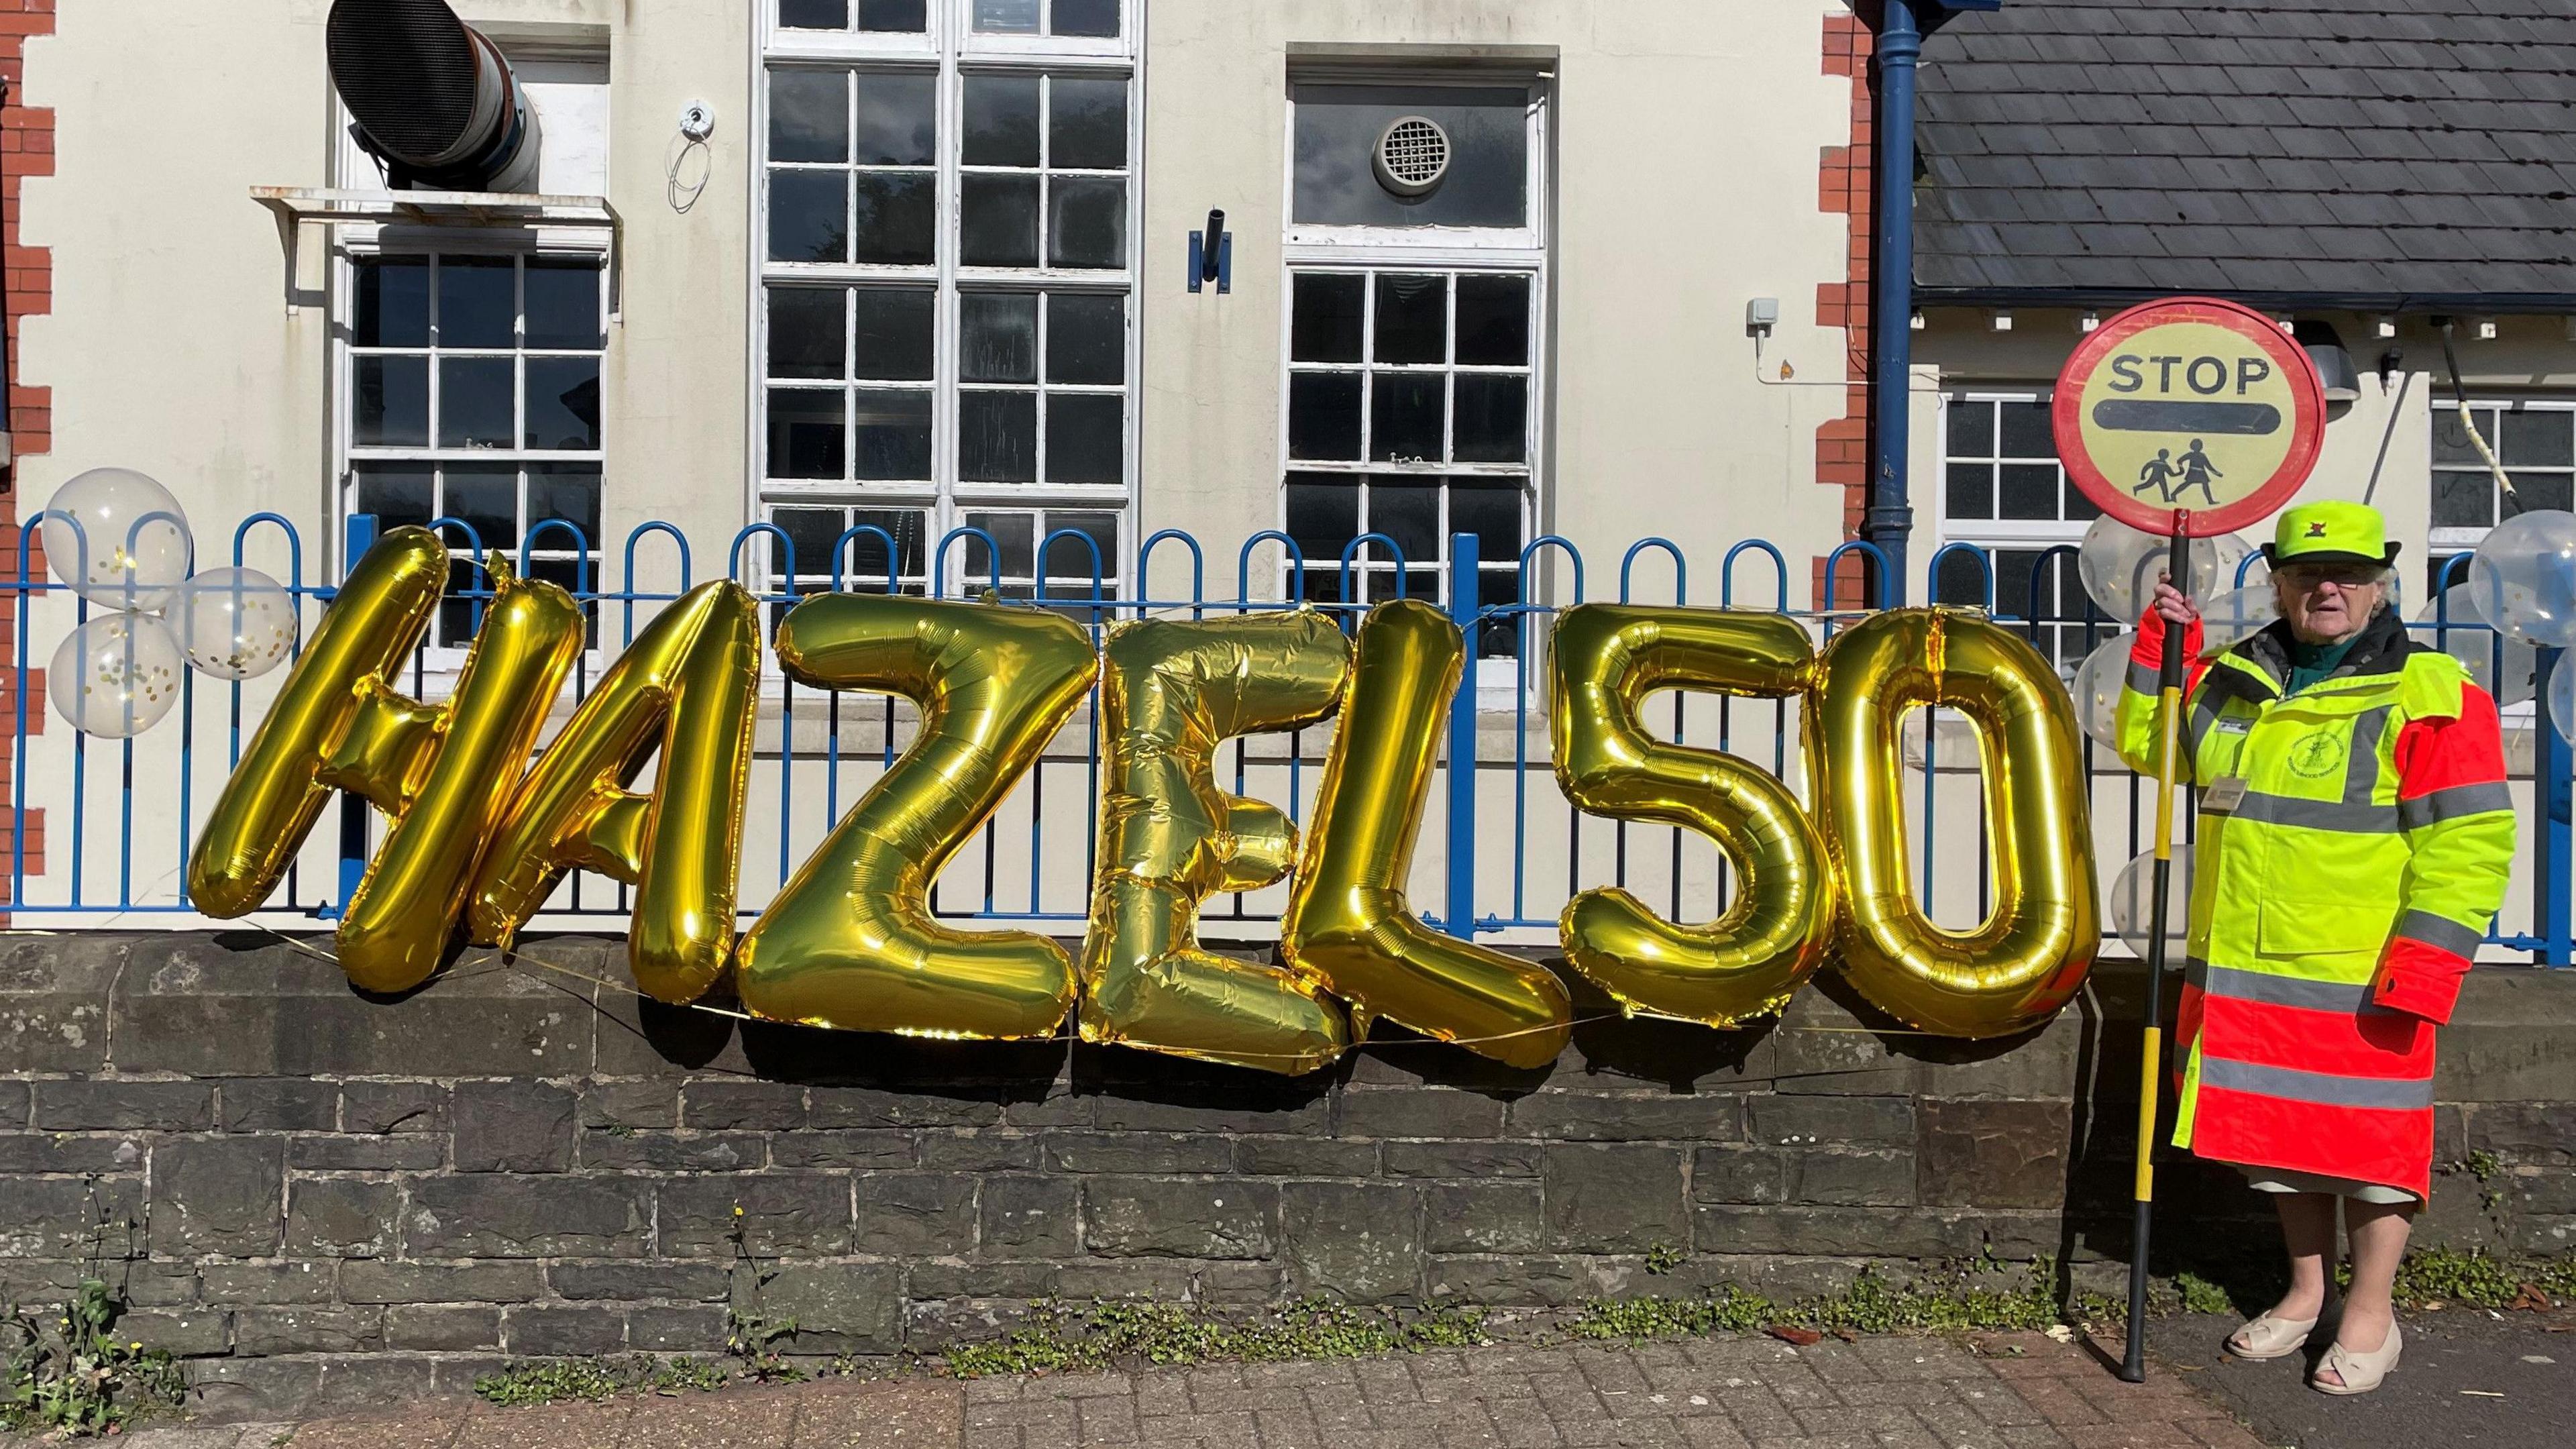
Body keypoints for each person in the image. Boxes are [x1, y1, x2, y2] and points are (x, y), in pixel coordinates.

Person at [2114, 500, 2514, 1396]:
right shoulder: (2227, 679)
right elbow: (2151, 744)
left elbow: (2472, 841)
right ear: (2278, 583)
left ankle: (2372, 1315)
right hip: (2254, 975)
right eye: (2306, 573)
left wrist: (2429, 961)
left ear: (2379, 585)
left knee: (2372, 1153)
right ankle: (2305, 1294)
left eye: (2348, 574)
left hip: (2365, 973)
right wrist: (2159, 649)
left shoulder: (2435, 692)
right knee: (2281, 1145)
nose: (2327, 587)